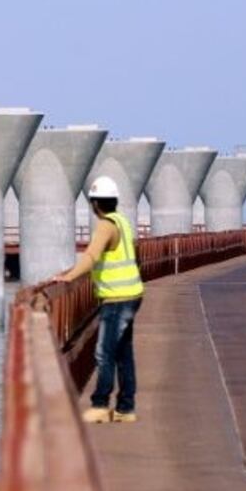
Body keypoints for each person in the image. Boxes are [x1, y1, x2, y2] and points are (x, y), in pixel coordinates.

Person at [55, 176, 144, 423]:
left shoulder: (105, 225)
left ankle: (100, 405)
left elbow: (92, 255)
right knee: (123, 354)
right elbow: (134, 256)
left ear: (95, 204)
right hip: (133, 294)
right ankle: (126, 408)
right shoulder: (123, 222)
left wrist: (70, 276)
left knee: (104, 353)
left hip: (116, 299)